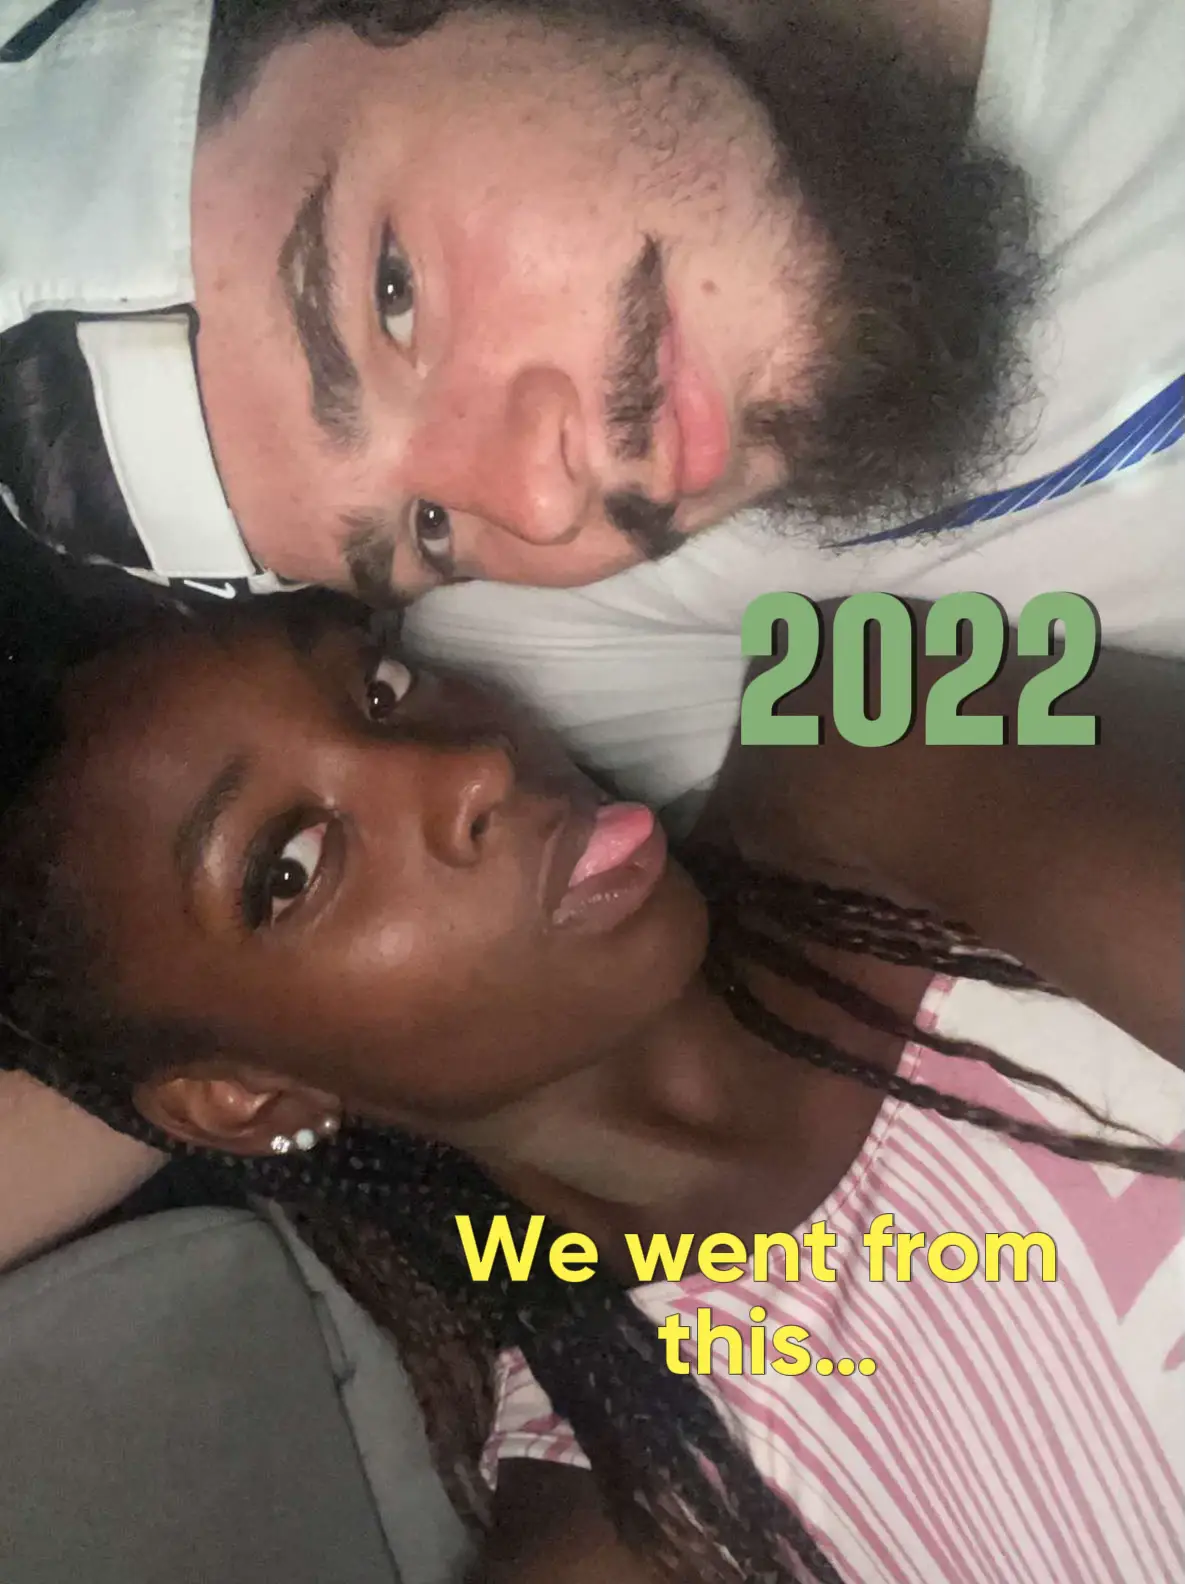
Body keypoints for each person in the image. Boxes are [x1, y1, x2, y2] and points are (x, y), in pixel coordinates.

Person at [1, 588, 1181, 1582]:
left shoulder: (880, 700)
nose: (472, 765)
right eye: (294, 867)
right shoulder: (643, 1522)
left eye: (379, 690)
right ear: (248, 1099)